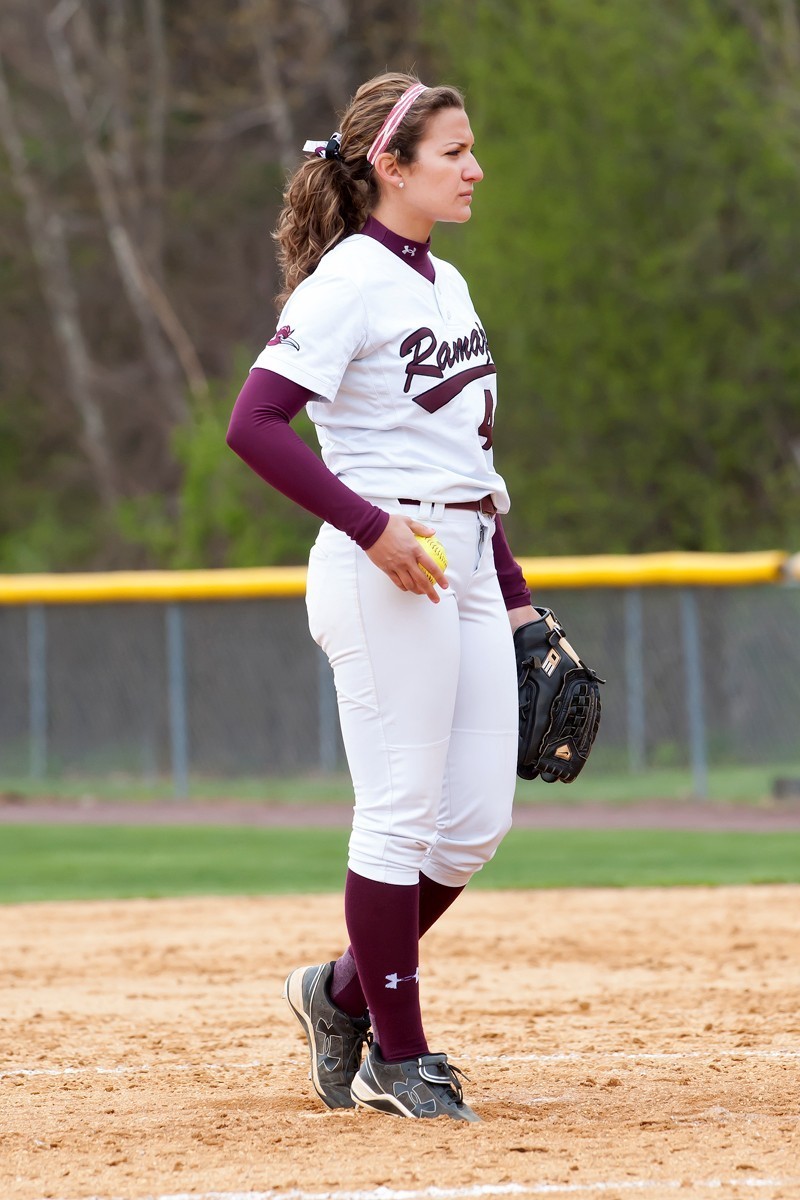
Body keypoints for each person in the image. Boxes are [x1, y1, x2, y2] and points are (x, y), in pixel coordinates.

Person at [226, 71, 539, 1122]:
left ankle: (338, 993)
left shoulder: (444, 286)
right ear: (389, 166)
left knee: (473, 823)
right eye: (453, 152)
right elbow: (254, 423)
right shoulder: (347, 281)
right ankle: (397, 1059)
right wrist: (368, 527)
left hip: (459, 555)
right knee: (401, 812)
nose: (473, 169)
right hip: (380, 559)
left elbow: (470, 466)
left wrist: (519, 604)